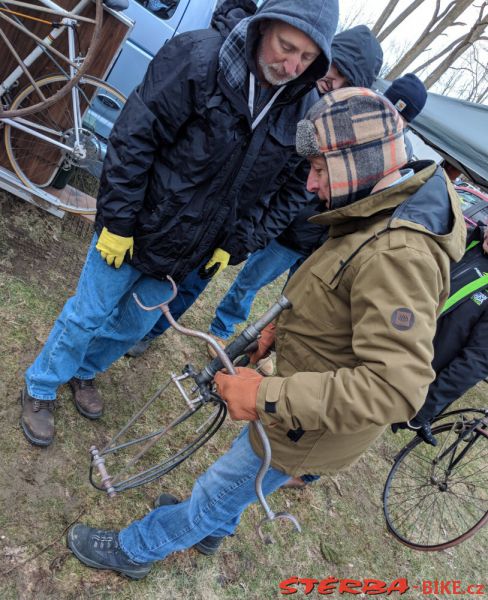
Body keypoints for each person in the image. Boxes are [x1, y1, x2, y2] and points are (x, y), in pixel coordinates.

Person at [66, 88, 465, 579]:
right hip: (300, 399)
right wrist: (280, 330)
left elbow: (395, 388)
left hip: (308, 425)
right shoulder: (378, 208)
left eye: (319, 170)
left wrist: (267, 396)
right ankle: (214, 527)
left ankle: (137, 549)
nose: (312, 185)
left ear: (356, 164)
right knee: (237, 482)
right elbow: (342, 300)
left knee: (220, 487)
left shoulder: (400, 253)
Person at [20, 0, 339, 446]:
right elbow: (134, 138)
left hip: (193, 249)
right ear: (264, 28)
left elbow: (291, 186)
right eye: (286, 48)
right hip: (136, 224)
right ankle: (41, 385)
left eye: (306, 58)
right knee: (87, 314)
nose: (291, 65)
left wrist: (238, 241)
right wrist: (116, 221)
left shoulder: (303, 108)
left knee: (132, 325)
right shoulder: (198, 58)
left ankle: (85, 370)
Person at [127, 24, 384, 359]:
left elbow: (294, 195)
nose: (329, 83)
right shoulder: (286, 91)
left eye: (341, 81)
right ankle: (127, 325)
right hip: (208, 204)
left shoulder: (337, 129)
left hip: (243, 225)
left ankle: (153, 331)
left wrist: (252, 237)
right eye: (330, 71)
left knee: (192, 283)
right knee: (162, 271)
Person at [393, 224, 488, 446]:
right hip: (373, 337)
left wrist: (425, 407)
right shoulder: (463, 240)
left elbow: (476, 361)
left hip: (401, 374)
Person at [384, 72, 427, 160]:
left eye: (400, 119)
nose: (391, 121)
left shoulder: (405, 151)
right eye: (387, 109)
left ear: (406, 123)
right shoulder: (356, 111)